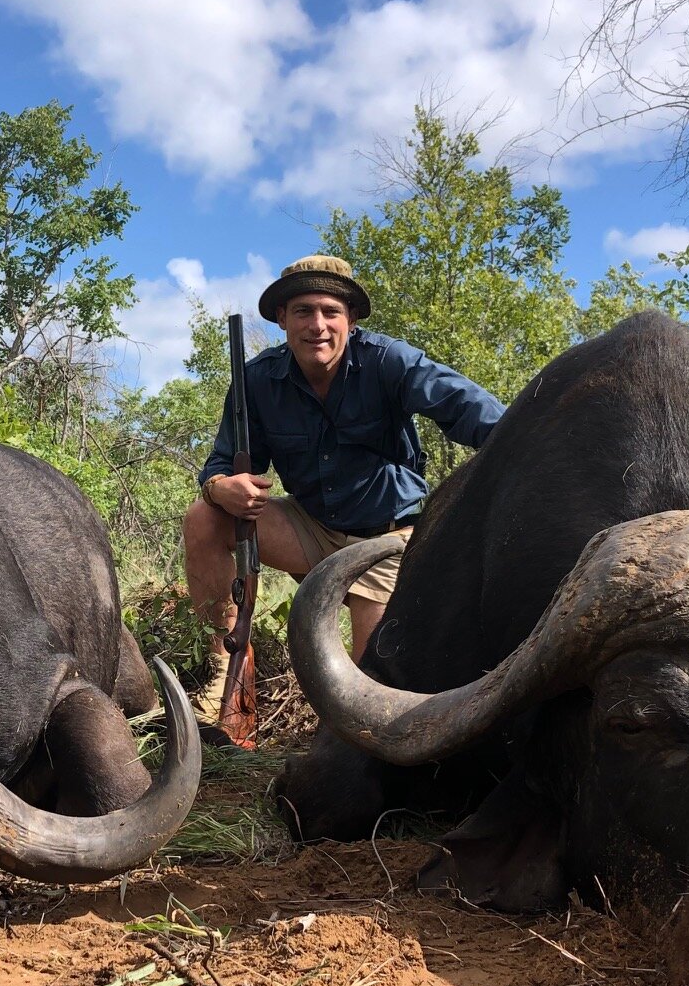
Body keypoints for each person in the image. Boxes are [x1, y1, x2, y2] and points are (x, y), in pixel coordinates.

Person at [183, 254, 505, 724]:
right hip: (311, 528)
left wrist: (531, 446)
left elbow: (470, 409)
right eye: (303, 311)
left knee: (365, 695)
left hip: (387, 540)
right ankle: (228, 670)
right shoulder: (256, 379)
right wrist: (220, 487)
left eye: (330, 312)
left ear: (350, 320)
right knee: (203, 516)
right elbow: (218, 464)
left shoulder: (389, 361)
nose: (318, 325)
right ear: (281, 319)